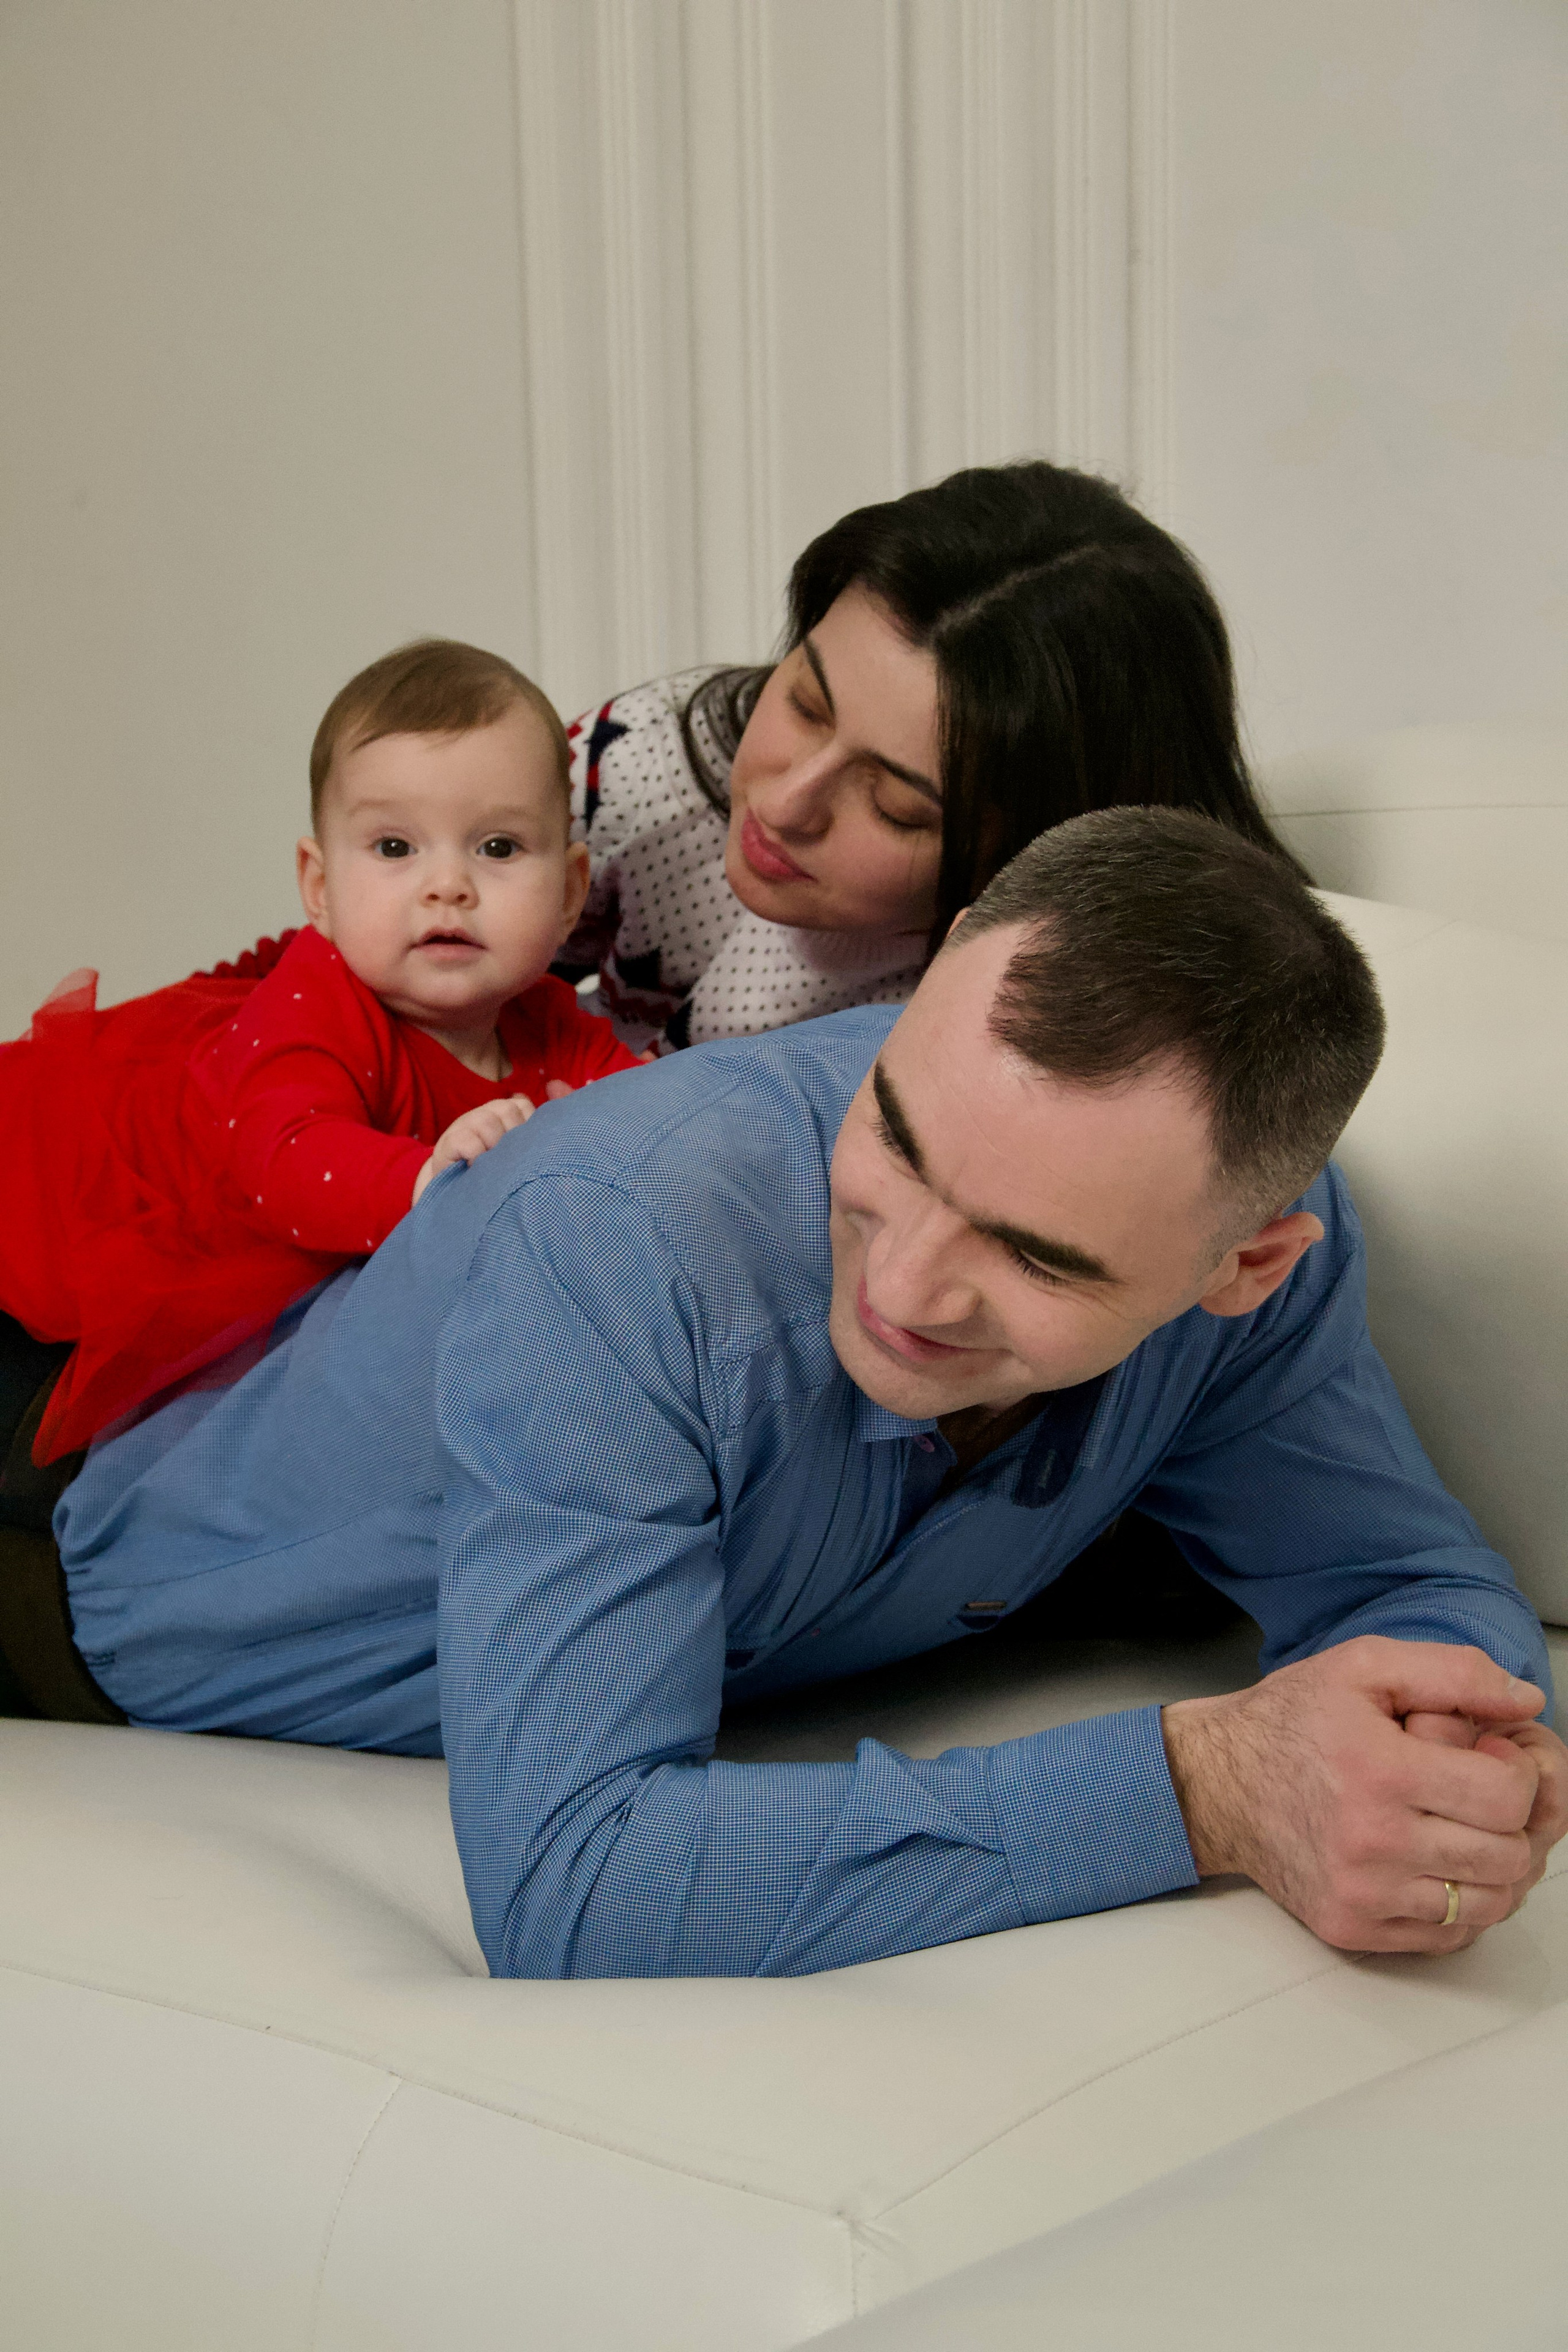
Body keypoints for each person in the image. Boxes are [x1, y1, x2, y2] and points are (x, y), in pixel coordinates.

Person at [50, 807, 1566, 1973]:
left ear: (1245, 1263)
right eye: (896, 1137)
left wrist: (1449, 1756)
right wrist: (1204, 1787)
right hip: (65, 1567)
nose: (902, 1285)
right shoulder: (617, 1235)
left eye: (1032, 1255)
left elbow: (1398, 1582)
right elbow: (575, 1885)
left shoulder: (1266, 1274)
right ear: (944, 966)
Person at [0, 639, 641, 1463]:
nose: (448, 885)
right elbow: (287, 1158)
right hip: (130, 1182)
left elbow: (649, 1122)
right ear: (319, 887)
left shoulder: (553, 1026)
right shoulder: (317, 1003)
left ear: (572, 891)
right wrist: (428, 1181)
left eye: (498, 848)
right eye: (395, 848)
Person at [560, 459, 1302, 1050]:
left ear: (1035, 846)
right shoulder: (639, 760)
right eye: (805, 705)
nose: (784, 806)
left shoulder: (1074, 1015)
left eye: (897, 807)